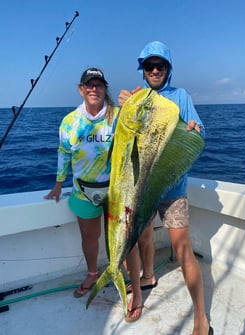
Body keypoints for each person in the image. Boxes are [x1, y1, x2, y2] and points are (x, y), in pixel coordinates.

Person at [118, 41, 213, 335]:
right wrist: (123, 109)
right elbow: (123, 141)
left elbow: (200, 131)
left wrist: (195, 129)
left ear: (168, 69)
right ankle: (140, 287)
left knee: (182, 249)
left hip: (173, 188)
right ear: (143, 70)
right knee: (133, 241)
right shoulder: (135, 98)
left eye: (160, 66)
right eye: (149, 66)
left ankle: (201, 318)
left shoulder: (180, 96)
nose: (155, 70)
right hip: (141, 189)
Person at [45, 67, 119, 298]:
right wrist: (58, 183)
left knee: (120, 235)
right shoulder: (69, 122)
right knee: (89, 237)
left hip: (116, 189)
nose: (94, 89)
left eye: (98, 84)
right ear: (81, 89)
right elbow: (63, 153)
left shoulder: (118, 117)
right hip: (83, 190)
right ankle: (92, 273)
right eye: (89, 84)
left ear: (105, 88)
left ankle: (123, 271)